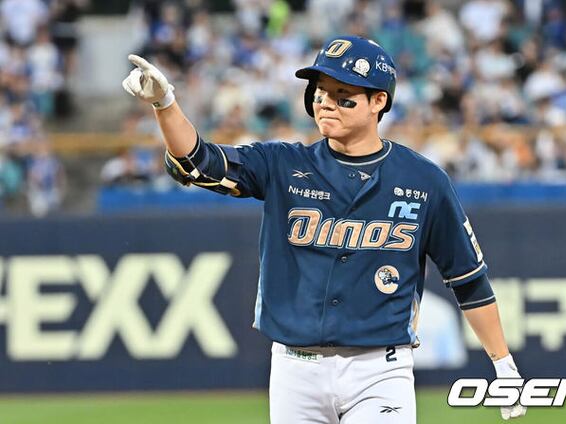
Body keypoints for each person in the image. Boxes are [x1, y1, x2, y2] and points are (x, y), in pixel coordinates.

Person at [122, 35, 527, 423]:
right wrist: (165, 103)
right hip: (295, 369)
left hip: (380, 369)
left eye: (342, 94)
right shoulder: (282, 164)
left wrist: (503, 364)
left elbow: (468, 279)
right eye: (319, 92)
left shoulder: (423, 180)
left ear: (378, 101)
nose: (326, 103)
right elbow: (199, 163)